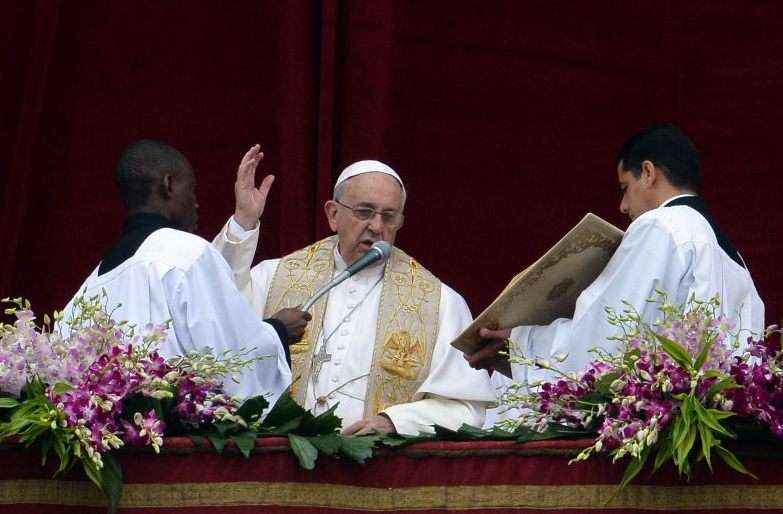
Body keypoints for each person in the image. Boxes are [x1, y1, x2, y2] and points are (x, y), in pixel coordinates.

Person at [213, 147, 496, 435]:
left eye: (389, 216)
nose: (376, 226)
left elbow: (466, 407)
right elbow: (218, 319)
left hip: (378, 470)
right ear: (333, 214)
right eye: (364, 212)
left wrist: (394, 422)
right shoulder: (273, 277)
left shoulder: (440, 303)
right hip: (280, 463)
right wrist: (243, 222)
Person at [466, 123, 765, 387]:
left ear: (648, 173)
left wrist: (521, 343)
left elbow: (606, 337)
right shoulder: (731, 255)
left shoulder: (661, 225)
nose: (623, 206)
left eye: (625, 188)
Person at [62, 139, 311, 406]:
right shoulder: (186, 252)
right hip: (176, 442)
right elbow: (229, 366)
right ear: (168, 185)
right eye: (191, 190)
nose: (196, 204)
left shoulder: (87, 288)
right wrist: (279, 330)